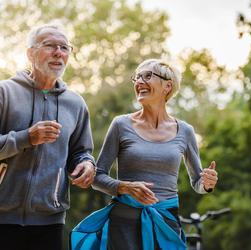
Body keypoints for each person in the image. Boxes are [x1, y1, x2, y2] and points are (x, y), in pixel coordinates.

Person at [71, 59, 218, 250]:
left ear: (167, 86)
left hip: (166, 223)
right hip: (124, 225)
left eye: (148, 76)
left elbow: (197, 182)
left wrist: (207, 184)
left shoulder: (185, 131)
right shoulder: (120, 125)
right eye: (137, 77)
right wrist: (125, 187)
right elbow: (97, 177)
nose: (139, 82)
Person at [0, 24, 96, 250]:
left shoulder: (75, 103)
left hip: (49, 220)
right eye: (50, 45)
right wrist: (26, 138)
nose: (58, 52)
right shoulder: (5, 93)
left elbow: (81, 151)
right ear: (30, 53)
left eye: (65, 47)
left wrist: (86, 164)